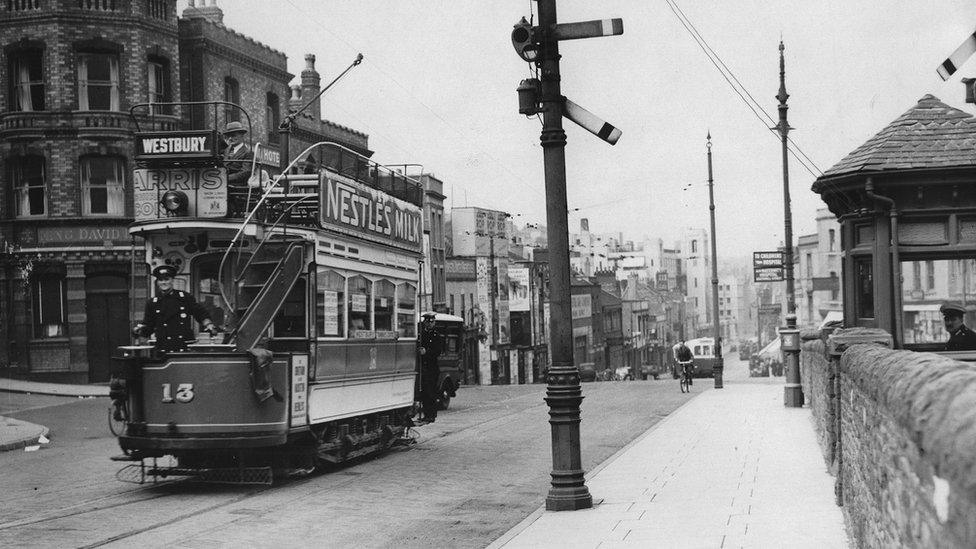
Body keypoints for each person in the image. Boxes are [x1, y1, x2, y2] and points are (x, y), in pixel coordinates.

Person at [133, 265, 218, 353]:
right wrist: (140, 330)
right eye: (161, 280)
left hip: (184, 346)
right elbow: (148, 326)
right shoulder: (152, 303)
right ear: (157, 282)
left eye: (166, 279)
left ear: (172, 280)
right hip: (163, 347)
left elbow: (200, 312)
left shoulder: (184, 297)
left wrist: (208, 324)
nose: (164, 282)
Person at [417, 312, 445, 423]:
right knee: (424, 392)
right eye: (427, 322)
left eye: (431, 322)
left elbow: (438, 351)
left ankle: (432, 415)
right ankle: (426, 414)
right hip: (423, 366)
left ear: (434, 323)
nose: (429, 324)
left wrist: (426, 352)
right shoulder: (422, 334)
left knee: (431, 392)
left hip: (432, 368)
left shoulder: (436, 335)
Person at [221, 121, 253, 215]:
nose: (231, 138)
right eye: (228, 136)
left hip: (238, 186)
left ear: (242, 135)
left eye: (234, 135)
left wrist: (225, 179)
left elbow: (246, 172)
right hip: (223, 183)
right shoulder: (226, 151)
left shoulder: (248, 153)